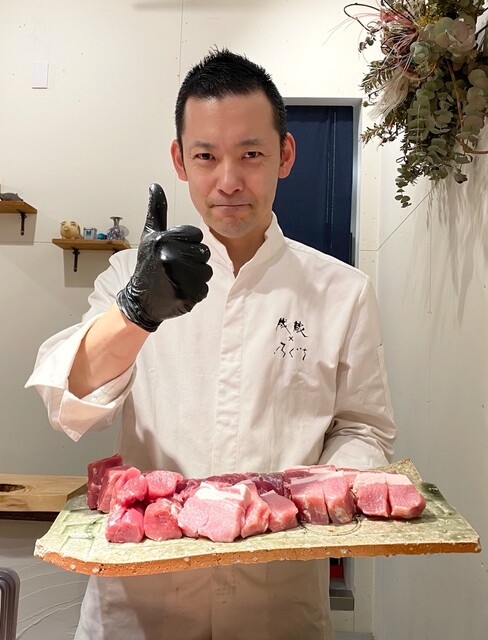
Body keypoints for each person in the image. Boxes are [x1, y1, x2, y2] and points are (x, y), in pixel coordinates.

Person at [26, 48, 397, 640]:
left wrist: (313, 496)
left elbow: (364, 427)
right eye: (206, 156)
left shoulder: (342, 291)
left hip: (278, 606)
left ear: (285, 155)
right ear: (180, 160)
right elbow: (69, 402)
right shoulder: (127, 275)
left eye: (251, 154)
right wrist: (136, 313)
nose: (228, 182)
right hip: (140, 603)